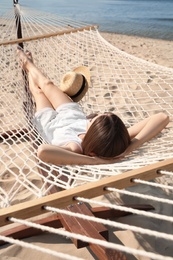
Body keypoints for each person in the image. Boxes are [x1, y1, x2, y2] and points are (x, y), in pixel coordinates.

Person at [17, 49, 169, 166]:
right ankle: (29, 64)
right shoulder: (116, 139)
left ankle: (28, 65)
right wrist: (130, 148)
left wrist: (94, 161)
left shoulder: (75, 148)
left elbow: (43, 151)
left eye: (93, 120)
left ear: (94, 132)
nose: (94, 116)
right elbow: (162, 117)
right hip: (71, 114)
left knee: (38, 92)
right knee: (48, 84)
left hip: (49, 121)